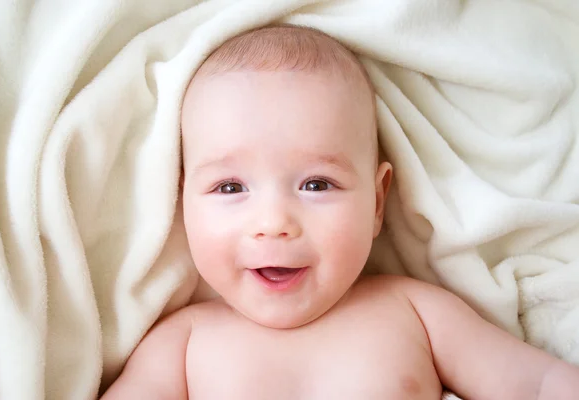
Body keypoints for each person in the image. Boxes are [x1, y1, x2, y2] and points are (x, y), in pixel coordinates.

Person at [102, 25, 579, 400]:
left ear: (377, 202)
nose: (273, 223)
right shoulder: (181, 346)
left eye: (316, 184)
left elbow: (538, 386)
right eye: (229, 187)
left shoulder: (416, 312)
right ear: (183, 202)